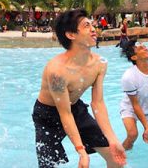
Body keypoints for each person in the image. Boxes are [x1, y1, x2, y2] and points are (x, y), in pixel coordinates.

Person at [32, 9, 126, 168]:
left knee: (115, 158)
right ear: (71, 35)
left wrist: (113, 139)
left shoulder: (100, 63)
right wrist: (80, 150)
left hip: (75, 108)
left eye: (92, 24)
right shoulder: (57, 71)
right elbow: (64, 113)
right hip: (47, 116)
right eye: (86, 26)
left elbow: (98, 104)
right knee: (48, 166)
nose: (93, 29)